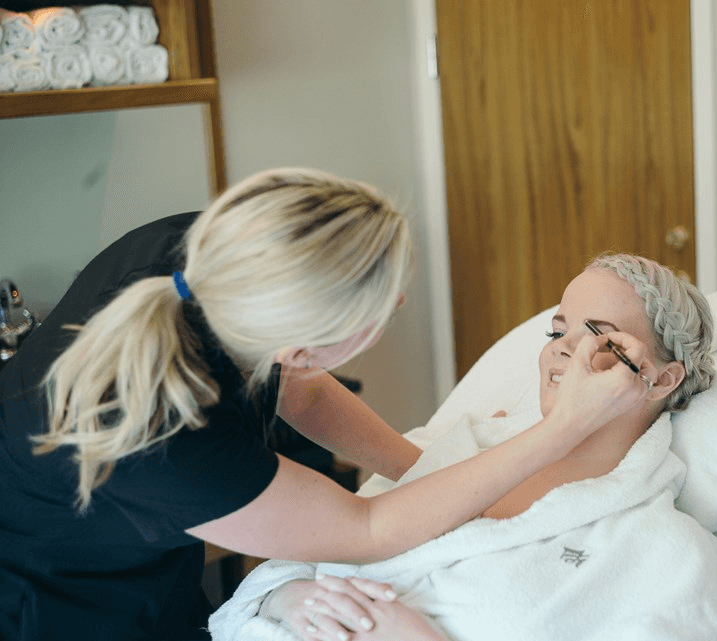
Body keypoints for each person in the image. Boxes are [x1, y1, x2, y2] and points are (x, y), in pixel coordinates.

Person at [0, 169, 653, 641]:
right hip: (51, 589)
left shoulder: (217, 256)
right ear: (303, 344)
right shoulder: (169, 447)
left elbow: (300, 388)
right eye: (382, 308)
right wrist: (565, 427)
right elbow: (365, 531)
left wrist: (430, 469)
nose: (397, 306)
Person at [209, 255, 717, 641]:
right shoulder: (459, 450)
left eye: (603, 338)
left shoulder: (672, 562)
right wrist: (287, 603)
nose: (564, 351)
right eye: (558, 330)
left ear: (662, 380)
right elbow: (301, 562)